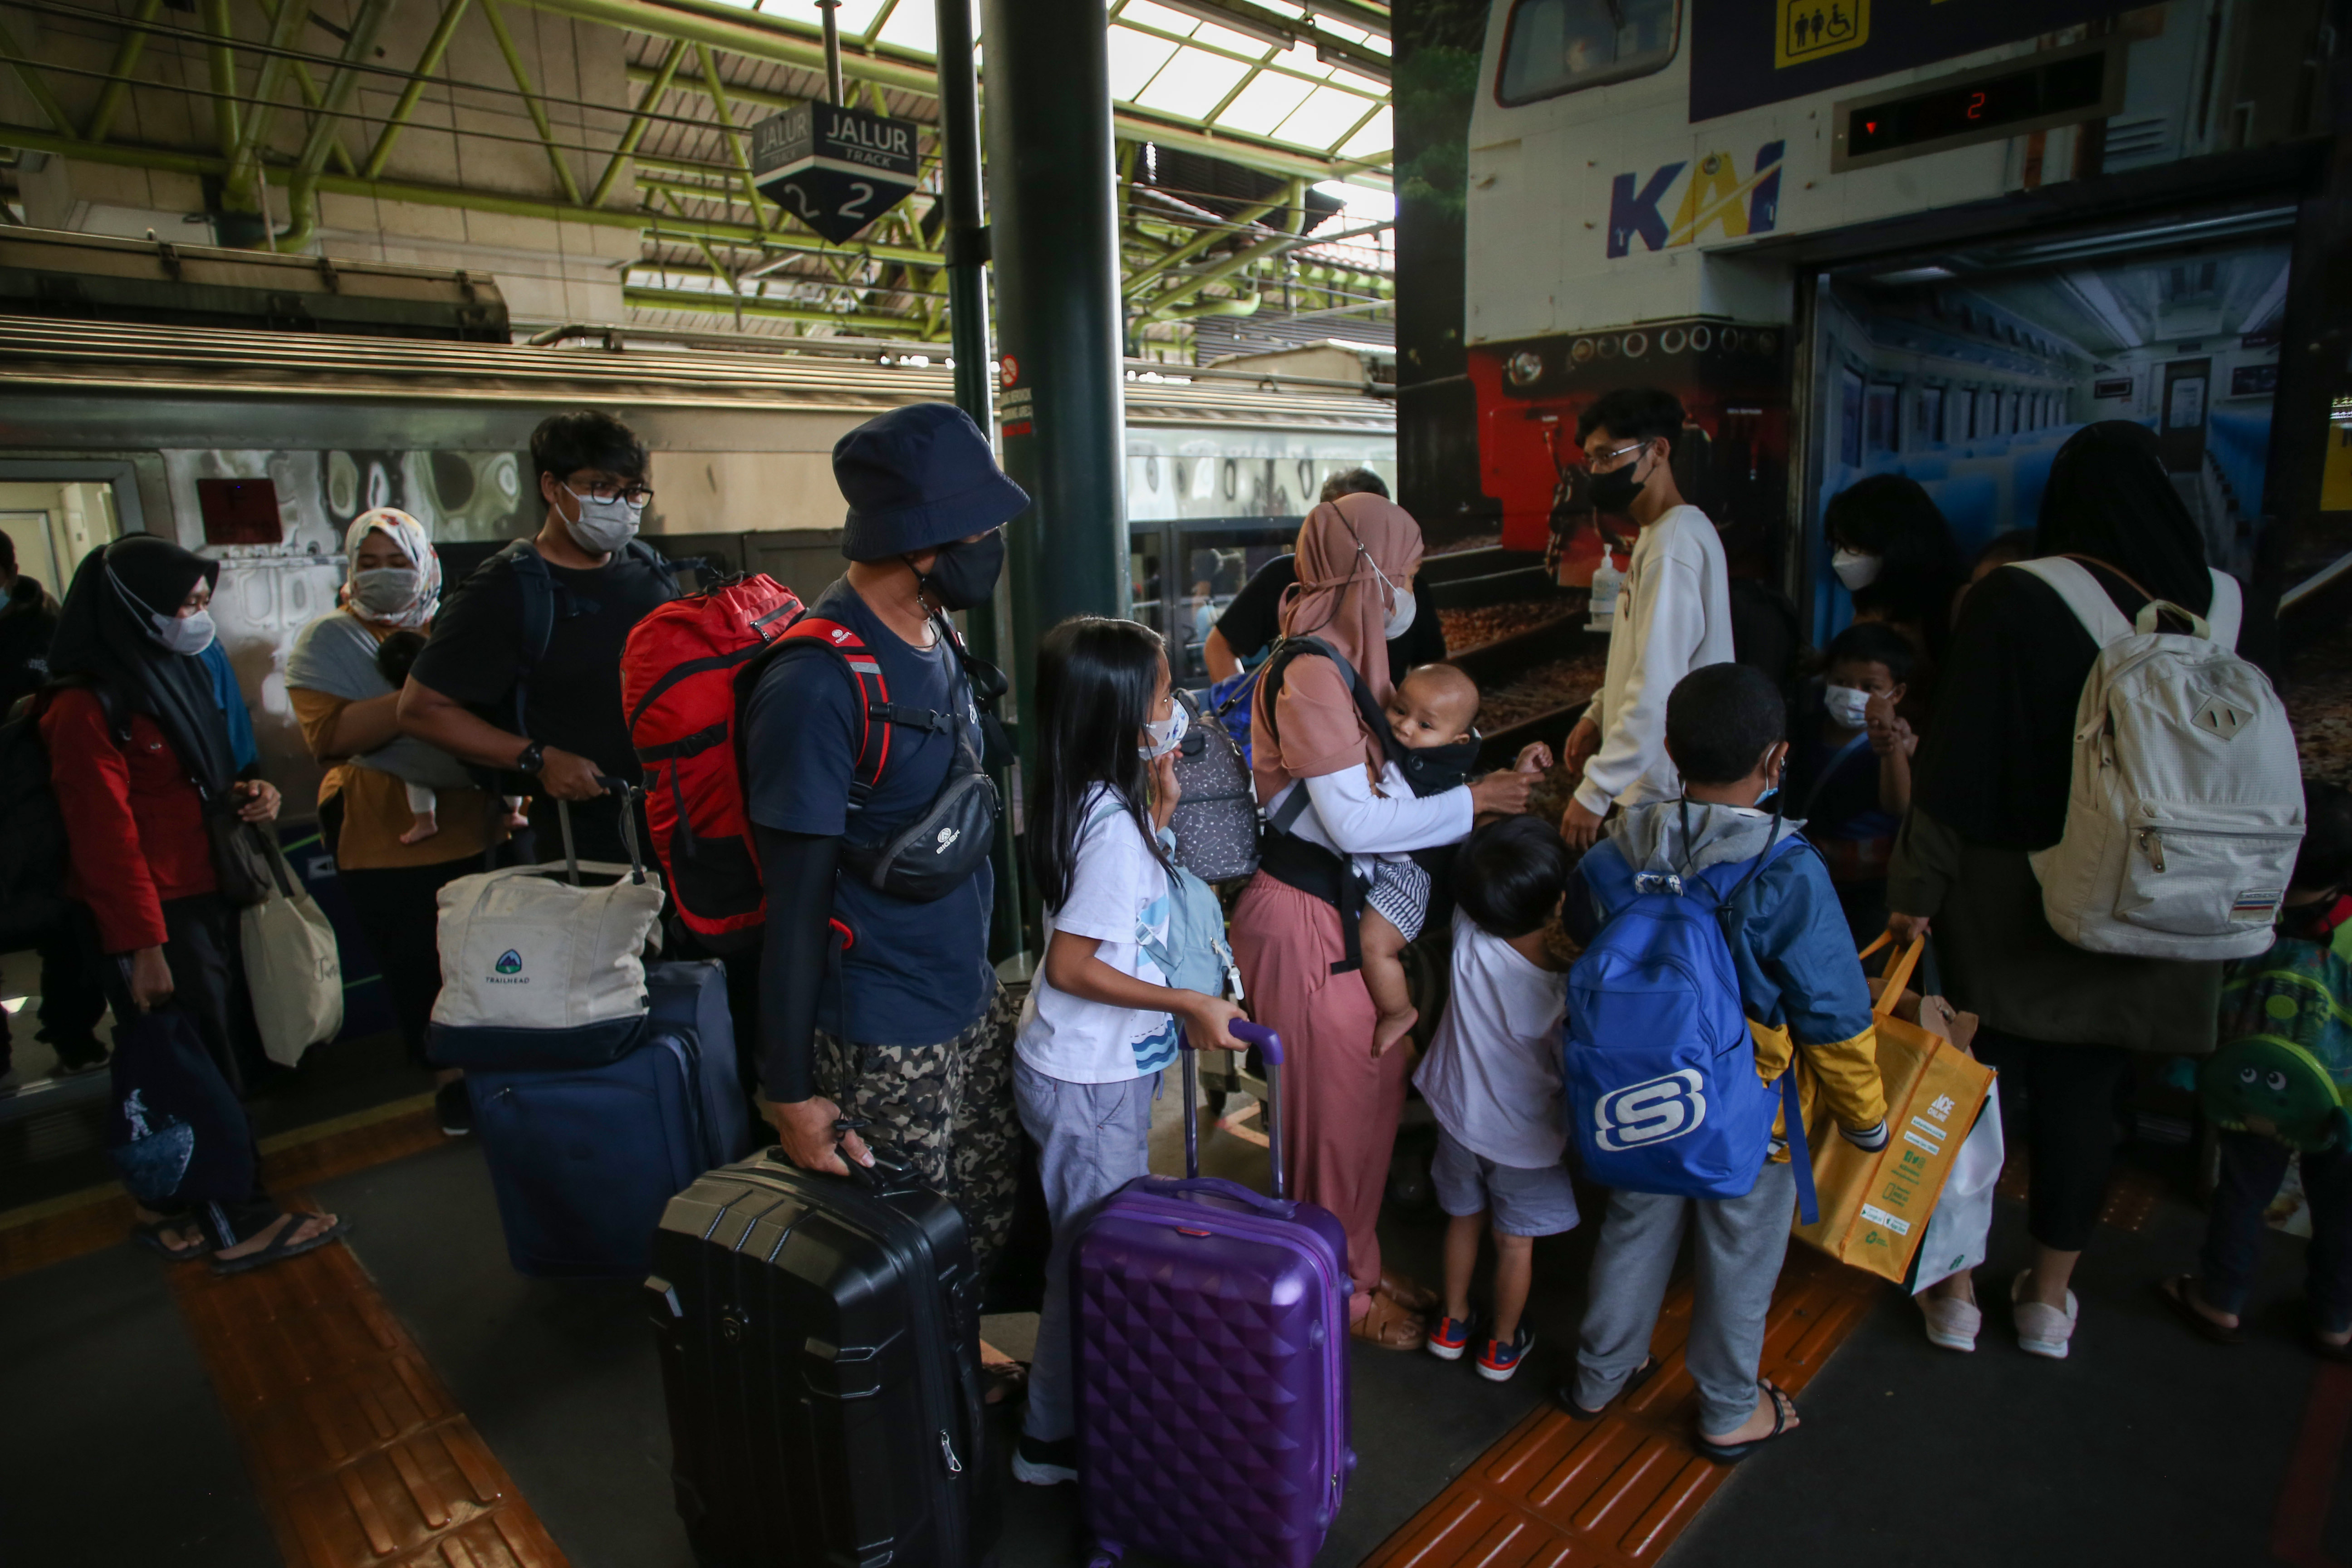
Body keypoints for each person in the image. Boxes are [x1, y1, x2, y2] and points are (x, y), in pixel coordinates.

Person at [1887, 421, 2251, 1360]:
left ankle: (1955, 1293)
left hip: (2012, 901)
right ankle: (2047, 1304)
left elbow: (1955, 773)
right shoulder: (2226, 605)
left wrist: (1916, 888)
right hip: (2153, 902)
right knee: (2090, 1104)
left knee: (1961, 1091)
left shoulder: (2018, 598)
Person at [1229, 490, 1538, 1351]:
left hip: (1340, 918)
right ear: (1369, 572)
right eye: (1399, 569)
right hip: (1304, 922)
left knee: (1365, 1103)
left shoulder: (1349, 661)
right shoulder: (1311, 673)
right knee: (1329, 1126)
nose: (1406, 587)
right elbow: (1353, 825)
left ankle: (1354, 1263)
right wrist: (1473, 801)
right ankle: (1338, 1303)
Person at [1559, 662, 1888, 1455]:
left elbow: (1574, 942)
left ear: (1669, 750)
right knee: (1740, 1247)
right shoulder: (1786, 870)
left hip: (1636, 1093)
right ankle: (1725, 1408)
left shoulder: (1611, 852)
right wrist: (1866, 1121)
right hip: (1753, 1108)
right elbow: (1833, 1017)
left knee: (1633, 1225)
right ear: (1776, 762)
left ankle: (1597, 1377)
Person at [744, 403, 1025, 1287]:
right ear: (922, 539)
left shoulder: (935, 628)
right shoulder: (815, 684)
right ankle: (927, 1419)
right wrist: (787, 1091)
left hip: (966, 998)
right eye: (980, 525)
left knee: (978, 1229)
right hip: (880, 1033)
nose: (995, 542)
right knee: (906, 1264)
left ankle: (969, 1385)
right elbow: (790, 908)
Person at [39, 535, 342, 1269]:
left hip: (203, 891)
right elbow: (104, 840)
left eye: (203, 604)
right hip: (153, 913)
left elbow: (196, 782)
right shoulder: (85, 705)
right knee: (201, 1064)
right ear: (136, 608)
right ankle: (236, 1220)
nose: (197, 619)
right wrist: (143, 947)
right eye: (186, 605)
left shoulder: (163, 676)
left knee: (179, 1059)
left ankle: (166, 1204)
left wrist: (250, 794)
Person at [1007, 616, 1248, 1487]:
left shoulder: (1086, 793)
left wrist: (1163, 812)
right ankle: (1052, 1443)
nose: (1174, 700)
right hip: (1090, 1080)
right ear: (1115, 709)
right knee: (1090, 1265)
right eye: (1158, 689)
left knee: (1088, 1250)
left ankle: (1066, 1423)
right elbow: (1074, 966)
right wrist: (1187, 999)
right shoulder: (1108, 827)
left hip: (1080, 1068)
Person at [286, 510, 509, 1137]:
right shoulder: (328, 643)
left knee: (495, 960)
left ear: (426, 564)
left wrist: (403, 712)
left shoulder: (455, 627)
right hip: (383, 841)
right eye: (369, 564)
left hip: (483, 826)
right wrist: (429, 700)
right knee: (418, 968)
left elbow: (502, 704)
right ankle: (449, 1083)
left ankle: (506, 1069)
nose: (384, 576)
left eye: (399, 562)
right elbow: (332, 734)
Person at [398, 412, 675, 864]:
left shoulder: (648, 569)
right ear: (552, 487)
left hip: (677, 834)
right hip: (586, 848)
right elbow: (421, 710)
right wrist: (538, 759)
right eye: (601, 488)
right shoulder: (504, 590)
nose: (621, 506)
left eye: (632, 492)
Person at [2159, 780, 2352, 1361]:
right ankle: (2335, 1320)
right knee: (2342, 1210)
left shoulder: (2248, 906)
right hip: (2340, 1100)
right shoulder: (2346, 929)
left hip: (2249, 1090)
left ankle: (2220, 1298)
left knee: (2242, 1194)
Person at [1416, 814, 1578, 1383]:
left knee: (1462, 1220)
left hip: (1458, 1120)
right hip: (1524, 1142)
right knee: (1514, 1245)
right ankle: (1501, 1347)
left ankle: (1452, 1324)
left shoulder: (1469, 933)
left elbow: (1475, 871)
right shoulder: (1561, 993)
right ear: (1561, 902)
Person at [1558, 388, 1735, 853]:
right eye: (1590, 460)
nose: (1596, 471)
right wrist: (1599, 711)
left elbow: (1660, 683)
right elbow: (1642, 655)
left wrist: (1596, 790)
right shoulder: (1662, 536)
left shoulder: (1672, 546)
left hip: (1664, 790)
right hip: (1659, 780)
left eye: (1607, 456)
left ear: (1658, 451)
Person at [1359, 662, 1550, 1054]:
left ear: (1458, 739)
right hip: (1413, 865)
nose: (1406, 727)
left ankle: (1397, 1011)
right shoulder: (1429, 756)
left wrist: (1371, 797)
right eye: (1399, 710)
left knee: (1373, 945)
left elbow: (1393, 819)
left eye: (1426, 725)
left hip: (1411, 874)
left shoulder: (1434, 767)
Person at [0, 530, 108, 1085]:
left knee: (68, 927)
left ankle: (72, 1032)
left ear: (11, 572)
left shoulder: (50, 630)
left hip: (45, 802)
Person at [1200, 467, 1445, 684]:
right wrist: (1241, 724)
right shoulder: (1282, 578)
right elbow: (1219, 647)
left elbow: (1434, 670)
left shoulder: (1406, 589)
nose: (1353, 541)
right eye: (1343, 527)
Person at [1784, 622, 1916, 943]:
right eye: (1841, 682)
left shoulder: (1895, 742)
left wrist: (1892, 748)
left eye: (1869, 687)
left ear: (1895, 694)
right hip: (1811, 875)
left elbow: (1898, 805)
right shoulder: (1805, 730)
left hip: (1870, 885)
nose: (1852, 693)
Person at [1824, 474, 1965, 672]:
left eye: (1854, 545)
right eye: (1838, 545)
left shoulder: (1957, 605)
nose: (1840, 559)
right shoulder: (1868, 602)